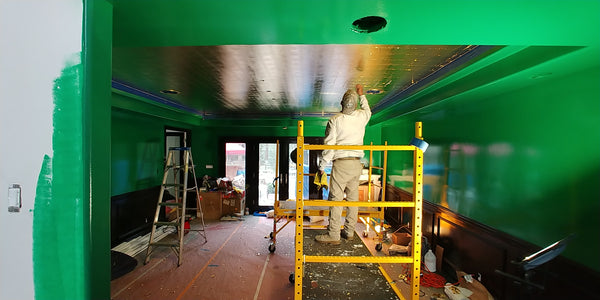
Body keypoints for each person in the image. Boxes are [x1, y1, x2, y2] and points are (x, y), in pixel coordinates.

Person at [315, 84, 371, 244]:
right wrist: (362, 95)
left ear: (341, 103)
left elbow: (329, 146)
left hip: (341, 164)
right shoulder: (362, 116)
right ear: (355, 104)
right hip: (356, 164)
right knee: (353, 200)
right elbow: (368, 110)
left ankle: (333, 235)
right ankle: (349, 232)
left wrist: (321, 167)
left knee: (336, 199)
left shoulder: (335, 120)